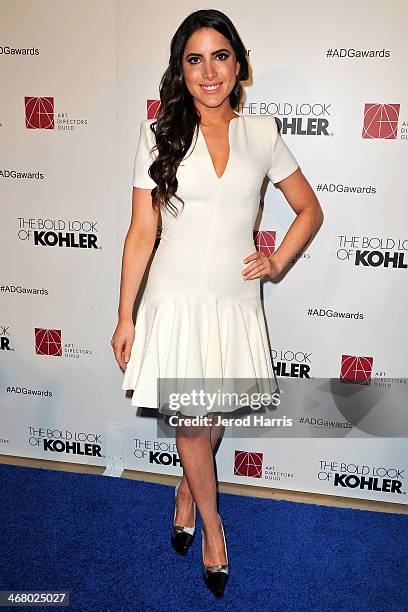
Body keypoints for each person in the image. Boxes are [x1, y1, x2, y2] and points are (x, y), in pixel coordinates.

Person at [111, 8, 323, 598]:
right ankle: (213, 530)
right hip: (174, 304)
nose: (209, 71)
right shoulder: (158, 136)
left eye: (220, 55)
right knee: (192, 424)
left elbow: (310, 210)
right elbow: (139, 235)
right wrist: (125, 316)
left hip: (234, 304)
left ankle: (186, 489)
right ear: (180, 70)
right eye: (194, 58)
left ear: (238, 62)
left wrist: (277, 260)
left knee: (210, 420)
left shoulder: (263, 133)